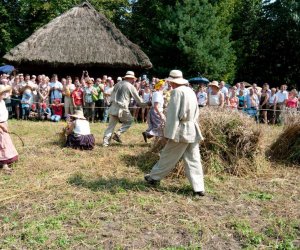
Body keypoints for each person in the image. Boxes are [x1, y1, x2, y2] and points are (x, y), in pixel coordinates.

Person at [144, 70, 205, 197]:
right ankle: (199, 187)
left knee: (168, 155)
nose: (170, 84)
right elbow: (196, 111)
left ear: (173, 82)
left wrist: (168, 134)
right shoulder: (190, 91)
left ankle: (154, 177)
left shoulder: (177, 92)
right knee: (193, 159)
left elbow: (173, 115)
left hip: (181, 131)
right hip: (192, 129)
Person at [102, 71, 148, 147]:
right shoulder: (130, 86)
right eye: (133, 79)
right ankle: (118, 134)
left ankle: (105, 143)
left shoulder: (117, 84)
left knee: (111, 126)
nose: (134, 80)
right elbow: (139, 101)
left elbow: (106, 92)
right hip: (122, 108)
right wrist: (148, 104)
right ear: (131, 78)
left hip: (113, 106)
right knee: (129, 121)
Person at [0, 85, 18, 174]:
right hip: (0, 125)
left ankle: (8, 159)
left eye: (4, 92)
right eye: (2, 92)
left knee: (6, 142)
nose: (4, 94)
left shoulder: (2, 102)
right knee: (2, 144)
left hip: (4, 123)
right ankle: (4, 164)